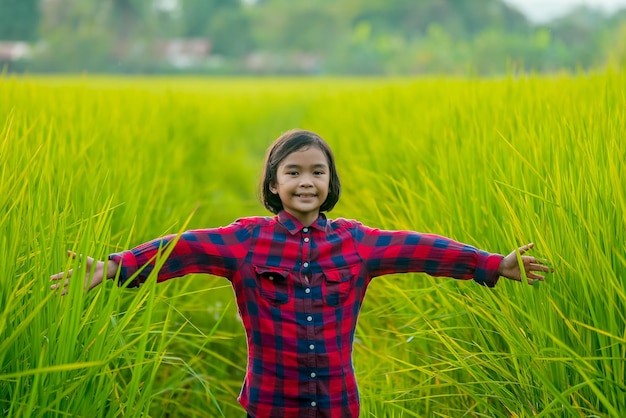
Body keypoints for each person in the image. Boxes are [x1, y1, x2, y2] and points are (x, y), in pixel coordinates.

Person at [50, 129, 551, 418]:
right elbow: (184, 249)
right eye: (292, 172)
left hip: (337, 404)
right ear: (273, 183)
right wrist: (115, 267)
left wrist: (492, 264)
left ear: (330, 183)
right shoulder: (248, 241)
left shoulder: (356, 243)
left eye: (317, 172)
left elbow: (419, 249)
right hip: (269, 404)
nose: (305, 182)